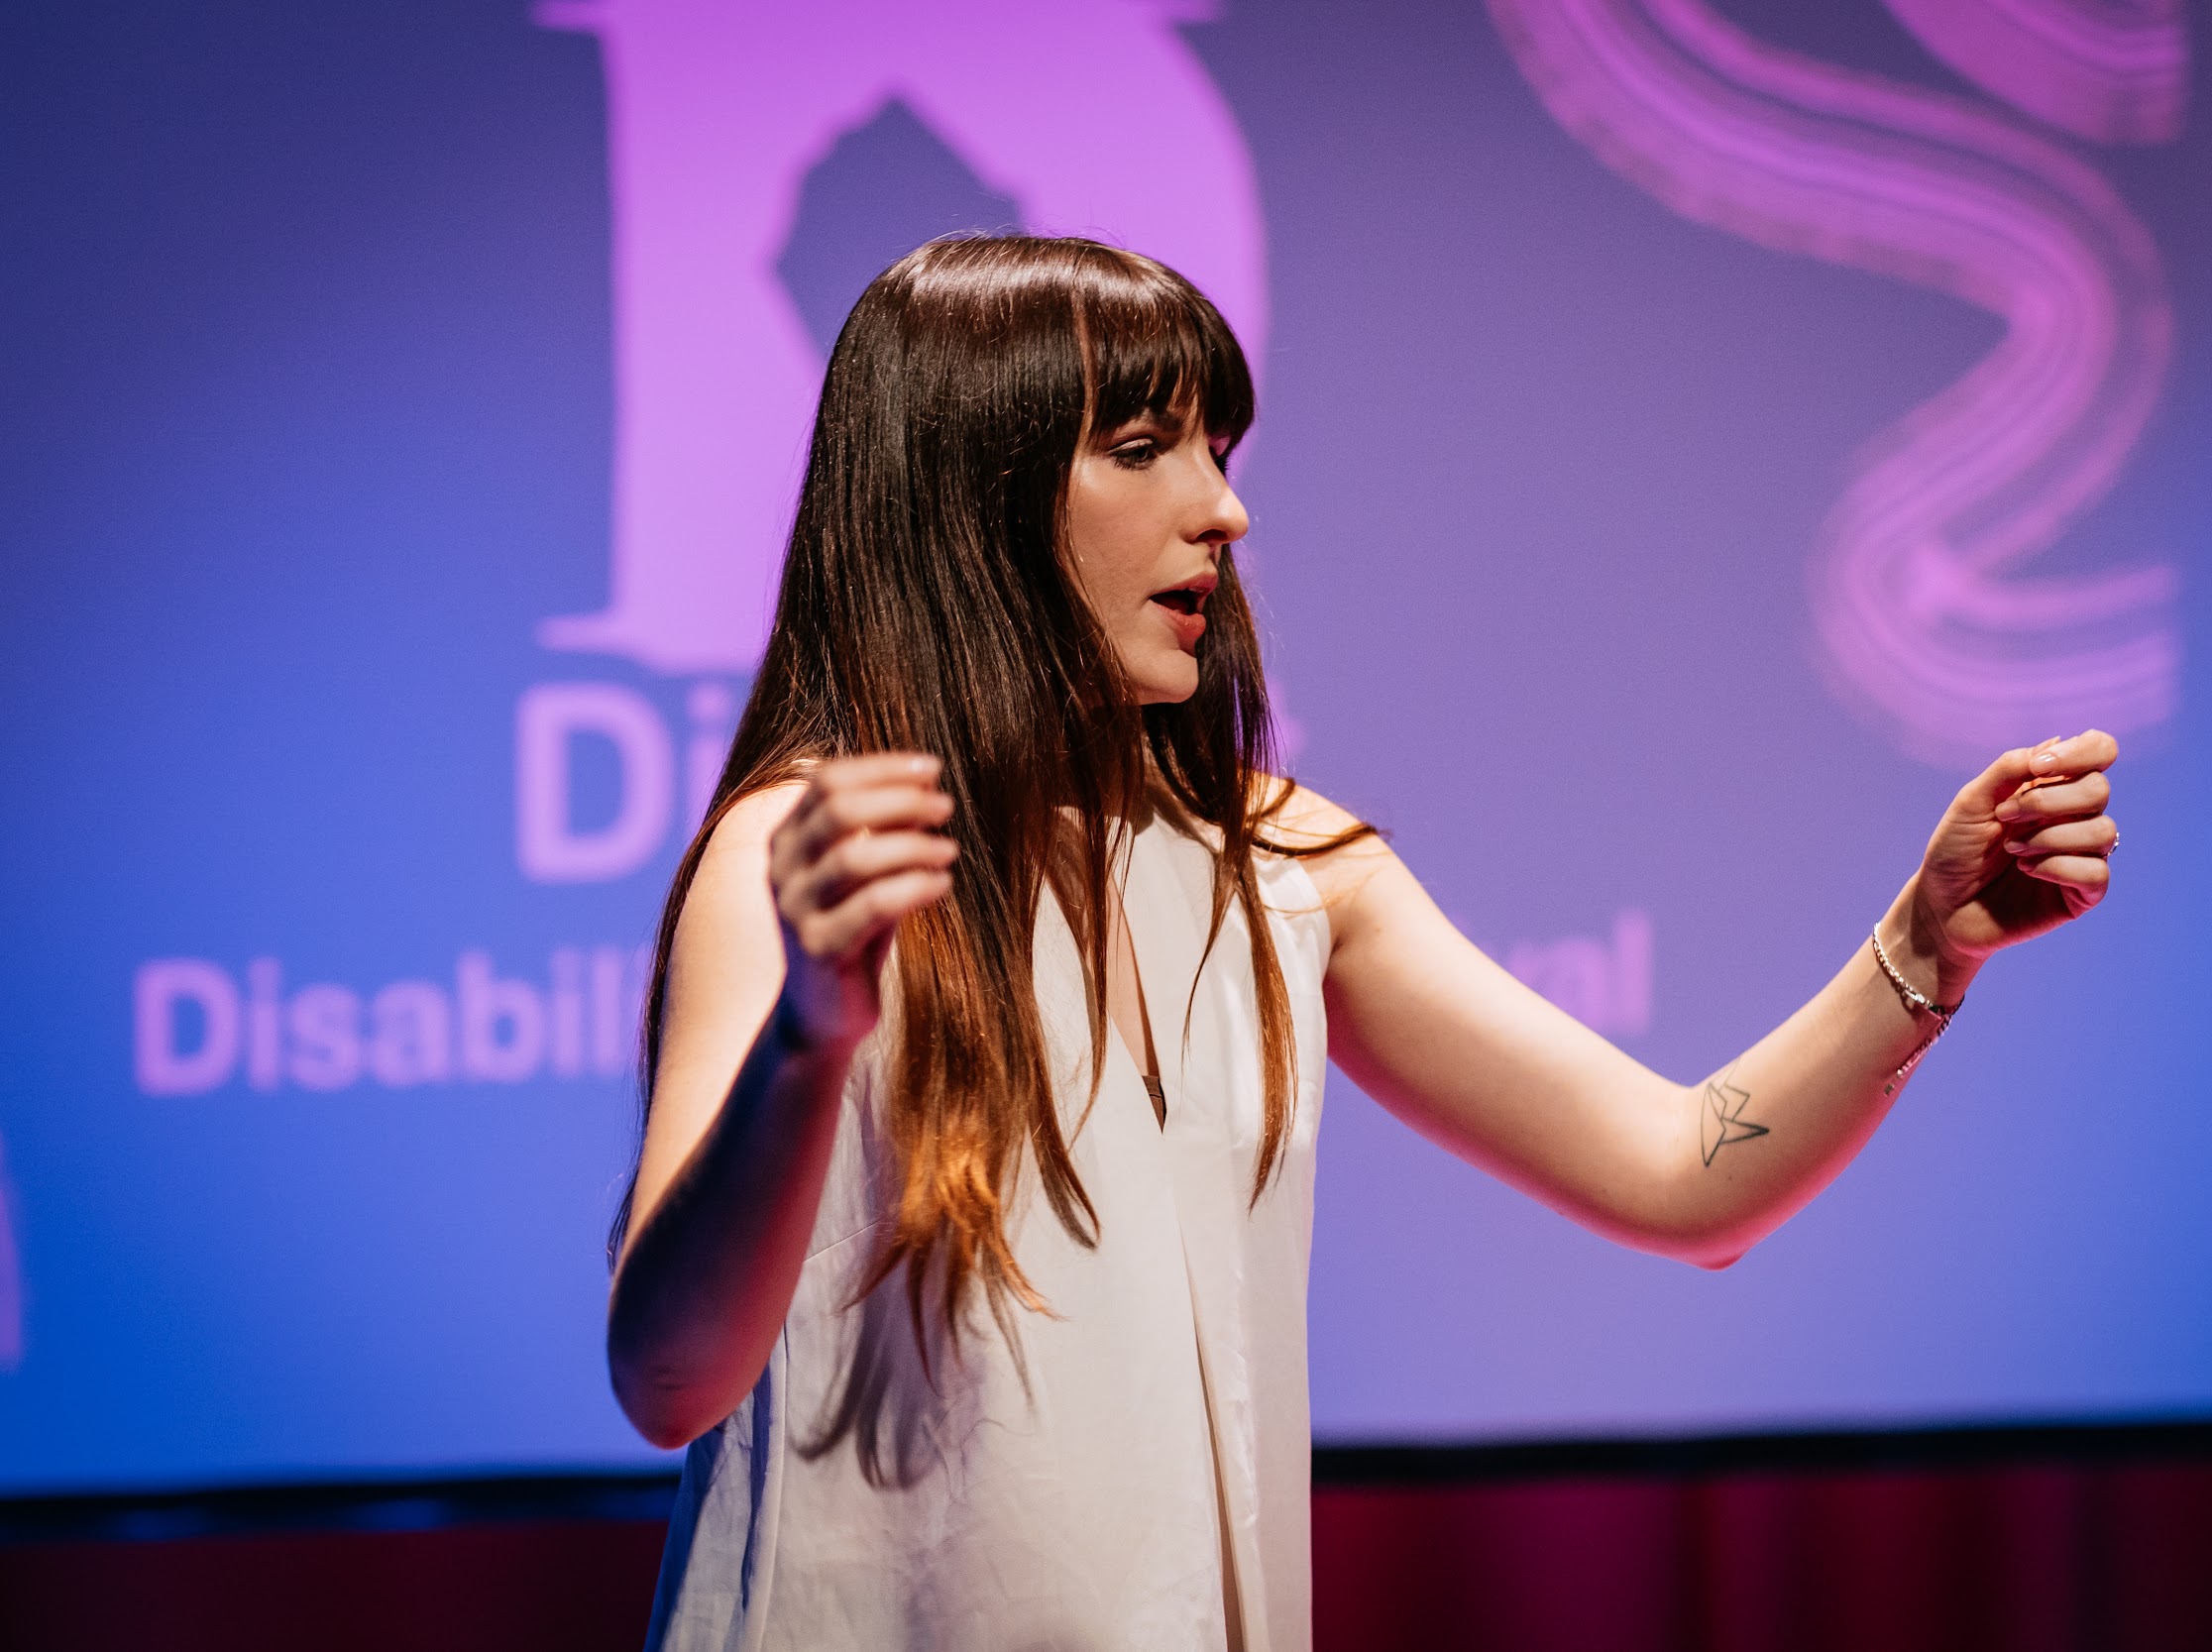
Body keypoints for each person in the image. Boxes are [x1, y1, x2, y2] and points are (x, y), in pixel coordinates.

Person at [607, 236, 2121, 1651]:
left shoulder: (1287, 871)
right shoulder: (804, 853)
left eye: (1217, 449)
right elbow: (671, 1378)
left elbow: (1683, 1177)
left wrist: (1928, 947)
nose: (1222, 508)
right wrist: (810, 1037)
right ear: (970, 498)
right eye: (1143, 452)